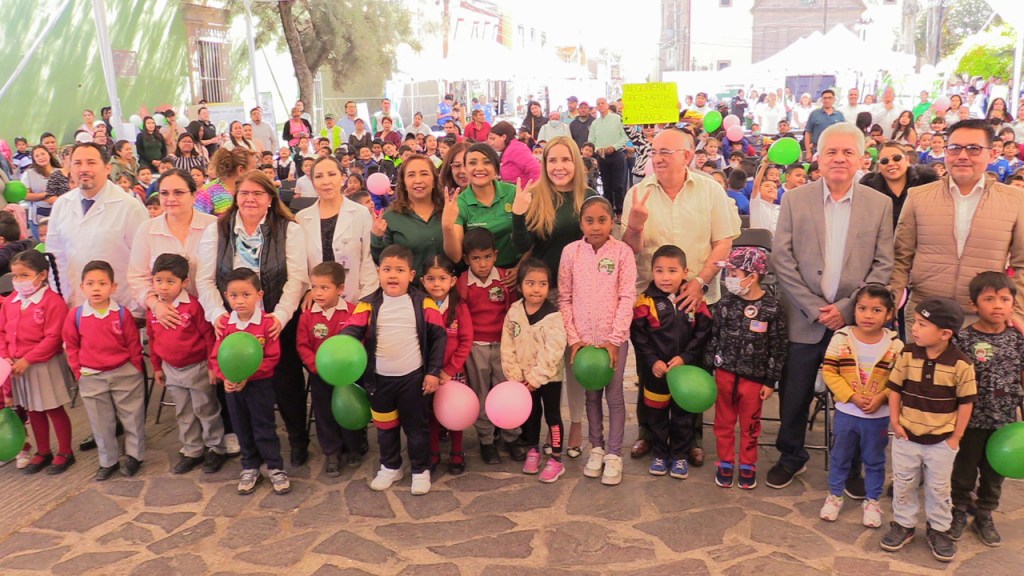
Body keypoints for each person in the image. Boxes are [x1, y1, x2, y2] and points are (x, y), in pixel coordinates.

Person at [769, 122, 894, 490]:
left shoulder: (879, 204)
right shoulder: (794, 198)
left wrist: (847, 307)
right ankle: (791, 455)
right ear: (816, 157)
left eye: (847, 152)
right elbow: (782, 258)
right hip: (803, 318)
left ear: (861, 159)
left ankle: (852, 465)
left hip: (856, 322)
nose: (839, 159)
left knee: (858, 395)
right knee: (795, 392)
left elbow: (883, 264)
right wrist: (812, 306)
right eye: (831, 152)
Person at [196, 170, 311, 468]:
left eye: (257, 194)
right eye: (244, 193)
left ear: (270, 200)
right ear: (235, 197)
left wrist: (281, 317)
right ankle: (250, 447)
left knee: (287, 382)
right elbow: (205, 280)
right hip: (233, 321)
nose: (250, 199)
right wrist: (219, 315)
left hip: (276, 318)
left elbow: (297, 279)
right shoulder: (217, 230)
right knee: (238, 384)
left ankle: (298, 440)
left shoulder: (289, 230)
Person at [892, 119, 1024, 336]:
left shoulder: (1015, 200)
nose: (963, 156)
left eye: (974, 149)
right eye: (955, 148)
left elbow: (1021, 263)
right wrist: (892, 300)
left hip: (984, 320)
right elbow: (901, 257)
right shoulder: (918, 197)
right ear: (946, 152)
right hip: (925, 316)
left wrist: (1017, 310)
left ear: (991, 154)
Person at [341, 244, 447, 495]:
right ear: (378, 272)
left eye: (399, 270)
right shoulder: (367, 305)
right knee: (385, 428)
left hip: (413, 380)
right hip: (379, 382)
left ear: (411, 275)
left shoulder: (425, 304)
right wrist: (342, 346)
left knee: (416, 429)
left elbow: (439, 337)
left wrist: (433, 371)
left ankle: (420, 470)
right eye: (387, 269)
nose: (392, 275)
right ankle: (390, 466)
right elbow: (350, 332)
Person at [882, 296, 976, 562]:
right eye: (916, 322)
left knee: (939, 488)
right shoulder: (907, 354)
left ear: (945, 333)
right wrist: (895, 422)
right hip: (906, 436)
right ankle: (904, 524)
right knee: (903, 483)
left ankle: (939, 529)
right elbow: (895, 389)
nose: (914, 328)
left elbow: (966, 403)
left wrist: (955, 438)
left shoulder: (962, 365)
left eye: (923, 324)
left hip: (941, 442)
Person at [559, 196, 637, 486]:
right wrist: (574, 338)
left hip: (612, 342)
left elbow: (627, 297)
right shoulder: (571, 253)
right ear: (581, 223)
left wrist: (615, 339)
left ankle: (615, 454)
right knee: (591, 396)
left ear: (612, 222)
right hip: (584, 344)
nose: (595, 226)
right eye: (589, 221)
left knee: (614, 397)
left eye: (602, 220)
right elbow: (564, 298)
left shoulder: (622, 253)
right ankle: (597, 448)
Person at [949, 272, 1024, 546]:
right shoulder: (964, 340)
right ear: (974, 304)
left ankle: (984, 514)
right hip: (971, 420)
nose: (998, 305)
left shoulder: (1017, 338)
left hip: (1005, 423)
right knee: (964, 470)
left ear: (1013, 304)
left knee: (995, 473)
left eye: (1005, 299)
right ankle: (958, 510)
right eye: (989, 299)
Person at [819, 285, 903, 527]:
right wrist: (851, 396)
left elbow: (899, 379)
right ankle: (834, 496)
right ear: (854, 310)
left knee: (874, 459)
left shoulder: (895, 345)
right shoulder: (842, 338)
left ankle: (872, 500)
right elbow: (831, 372)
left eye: (876, 310)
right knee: (840, 456)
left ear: (888, 315)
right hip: (847, 413)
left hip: (878, 416)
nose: (868, 315)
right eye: (862, 309)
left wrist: (882, 397)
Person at [705, 247, 787, 490]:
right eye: (727, 271)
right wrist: (709, 370)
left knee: (751, 425)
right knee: (723, 423)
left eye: (734, 271)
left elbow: (778, 347)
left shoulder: (772, 308)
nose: (728, 277)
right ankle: (726, 462)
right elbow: (713, 338)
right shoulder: (725, 304)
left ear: (753, 276)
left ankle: (748, 464)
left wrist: (770, 381)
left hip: (754, 379)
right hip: (724, 374)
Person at [631, 244, 712, 480]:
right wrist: (652, 361)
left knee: (683, 416)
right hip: (655, 374)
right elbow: (639, 336)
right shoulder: (645, 301)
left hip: (685, 375)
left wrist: (685, 357)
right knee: (655, 416)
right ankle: (659, 453)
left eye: (672, 271)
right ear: (652, 272)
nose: (665, 277)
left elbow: (704, 332)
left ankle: (679, 456)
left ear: (685, 272)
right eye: (659, 271)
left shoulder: (695, 300)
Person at [62, 260, 146, 481]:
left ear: (113, 287)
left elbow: (133, 342)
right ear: (82, 287)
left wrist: (136, 366)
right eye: (90, 283)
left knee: (132, 417)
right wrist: (78, 371)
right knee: (101, 422)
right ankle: (107, 461)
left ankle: (135, 456)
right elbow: (71, 345)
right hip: (91, 376)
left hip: (124, 373)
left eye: (102, 283)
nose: (96, 288)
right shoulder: (76, 316)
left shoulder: (121, 314)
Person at [209, 268, 290, 495]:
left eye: (246, 294)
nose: (240, 301)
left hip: (259, 386)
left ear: (259, 295)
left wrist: (248, 376)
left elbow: (272, 357)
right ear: (226, 296)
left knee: (264, 426)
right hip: (233, 388)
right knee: (242, 427)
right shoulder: (226, 326)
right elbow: (217, 356)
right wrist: (225, 377)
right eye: (234, 296)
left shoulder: (266, 324)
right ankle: (250, 466)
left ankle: (274, 467)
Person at [145, 253, 226, 475]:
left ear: (185, 282)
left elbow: (209, 336)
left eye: (170, 281)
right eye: (158, 280)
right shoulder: (154, 310)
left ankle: (216, 447)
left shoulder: (193, 307)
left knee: (205, 408)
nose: (163, 287)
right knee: (183, 411)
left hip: (197, 367)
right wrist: (157, 367)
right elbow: (152, 339)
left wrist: (212, 366)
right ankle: (192, 449)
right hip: (171, 369)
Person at [48, 143, 148, 316]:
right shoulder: (61, 205)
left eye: (91, 162)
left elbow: (143, 261)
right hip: (75, 306)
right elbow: (55, 258)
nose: (84, 169)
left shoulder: (130, 207)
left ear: (107, 168)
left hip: (121, 306)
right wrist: (61, 299)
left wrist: (137, 309)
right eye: (77, 163)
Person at [0, 250, 74, 475]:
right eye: (15, 276)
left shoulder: (53, 302)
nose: (18, 281)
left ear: (41, 275)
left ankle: (65, 451)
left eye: (24, 275)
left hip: (42, 364)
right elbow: (2, 331)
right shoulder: (11, 301)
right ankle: (43, 451)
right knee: (33, 410)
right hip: (17, 366)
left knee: (53, 408)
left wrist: (28, 359)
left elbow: (53, 337)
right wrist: (6, 356)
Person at [454, 228, 523, 463]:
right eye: (475, 258)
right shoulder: (462, 283)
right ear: (466, 259)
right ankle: (486, 440)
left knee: (506, 391)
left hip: (503, 347)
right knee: (481, 393)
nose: (482, 264)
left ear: (495, 255)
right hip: (476, 348)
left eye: (486, 257)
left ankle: (511, 436)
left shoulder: (505, 279)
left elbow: (514, 311)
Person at [296, 261, 367, 474]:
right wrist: (316, 367)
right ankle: (332, 452)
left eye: (324, 287)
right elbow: (303, 345)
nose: (317, 293)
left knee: (351, 409)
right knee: (325, 413)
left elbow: (361, 341)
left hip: (349, 376)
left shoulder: (354, 312)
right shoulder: (308, 316)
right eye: (314, 286)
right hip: (321, 376)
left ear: (341, 289)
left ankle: (354, 447)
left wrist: (351, 366)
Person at [502, 258, 567, 482]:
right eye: (530, 283)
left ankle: (556, 459)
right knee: (531, 415)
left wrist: (536, 378)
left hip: (548, 378)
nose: (536, 289)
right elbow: (507, 344)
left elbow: (554, 351)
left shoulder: (554, 316)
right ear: (520, 286)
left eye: (542, 284)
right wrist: (515, 376)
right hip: (522, 380)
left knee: (552, 415)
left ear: (549, 287)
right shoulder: (514, 312)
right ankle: (533, 449)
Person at [296, 156, 377, 303]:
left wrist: (367, 300)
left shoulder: (361, 213)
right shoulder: (302, 218)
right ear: (313, 182)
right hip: (317, 299)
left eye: (332, 174)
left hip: (354, 298)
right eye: (319, 176)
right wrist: (308, 289)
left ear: (343, 177)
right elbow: (300, 264)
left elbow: (368, 260)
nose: (326, 181)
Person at [419, 254, 471, 475]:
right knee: (430, 413)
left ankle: (457, 451)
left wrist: (449, 370)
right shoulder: (419, 307)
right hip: (428, 374)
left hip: (453, 374)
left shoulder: (459, 308)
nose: (437, 284)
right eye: (431, 279)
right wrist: (431, 371)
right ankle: (433, 451)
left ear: (452, 281)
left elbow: (466, 341)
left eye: (442, 278)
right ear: (422, 281)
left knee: (455, 412)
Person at [442, 143, 523, 270]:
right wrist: (447, 227)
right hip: (481, 275)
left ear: (496, 169)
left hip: (516, 270)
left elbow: (533, 237)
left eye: (487, 162)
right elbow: (456, 257)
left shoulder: (513, 192)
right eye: (473, 163)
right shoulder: (460, 203)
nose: (479, 168)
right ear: (466, 169)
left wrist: (520, 267)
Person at [371, 154, 445, 284]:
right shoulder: (391, 216)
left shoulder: (448, 210)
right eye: (411, 175)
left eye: (424, 174)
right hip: (411, 294)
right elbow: (383, 261)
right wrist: (377, 238)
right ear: (403, 183)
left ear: (434, 180)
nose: (418, 180)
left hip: (448, 292)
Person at [860, 142, 938, 229]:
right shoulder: (868, 189)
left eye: (897, 158)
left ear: (907, 160)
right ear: (879, 165)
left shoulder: (926, 183)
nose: (891, 164)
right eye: (884, 161)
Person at [589, 98, 630, 215]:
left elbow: (625, 137)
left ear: (607, 105)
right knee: (606, 186)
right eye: (598, 104)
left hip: (617, 155)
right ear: (596, 107)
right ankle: (608, 212)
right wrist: (597, 149)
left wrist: (614, 147)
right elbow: (591, 140)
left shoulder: (617, 119)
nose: (600, 105)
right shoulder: (595, 123)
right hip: (602, 157)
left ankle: (620, 212)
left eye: (603, 103)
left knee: (618, 185)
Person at [195, 148, 251, 216]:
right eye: (253, 169)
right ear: (241, 170)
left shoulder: (252, 191)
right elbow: (197, 220)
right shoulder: (207, 192)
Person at [20, 146, 59, 239]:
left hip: (58, 215)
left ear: (49, 154)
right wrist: (45, 194)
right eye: (37, 156)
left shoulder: (60, 172)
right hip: (37, 218)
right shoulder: (29, 174)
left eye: (43, 154)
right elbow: (25, 195)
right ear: (34, 159)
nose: (41, 157)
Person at [487, 121, 540, 188]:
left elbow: (536, 170)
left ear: (504, 137)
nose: (491, 143)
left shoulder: (517, 149)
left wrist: (531, 192)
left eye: (493, 139)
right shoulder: (508, 150)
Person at [803, 89, 845, 159]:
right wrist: (808, 152)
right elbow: (808, 133)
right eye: (825, 98)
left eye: (829, 98)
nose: (827, 100)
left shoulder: (839, 115)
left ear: (834, 99)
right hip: (817, 149)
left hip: (835, 150)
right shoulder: (814, 114)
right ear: (822, 100)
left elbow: (843, 134)